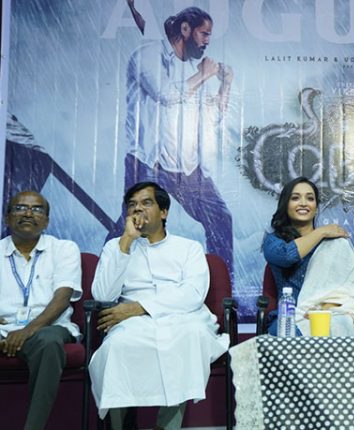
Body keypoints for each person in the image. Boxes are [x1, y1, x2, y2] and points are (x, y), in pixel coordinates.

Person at [88, 182, 229, 428]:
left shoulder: (189, 248)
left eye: (146, 203)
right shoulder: (115, 247)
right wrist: (125, 242)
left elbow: (193, 294)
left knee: (187, 340)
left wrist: (140, 307)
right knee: (115, 347)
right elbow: (102, 295)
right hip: (131, 323)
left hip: (183, 317)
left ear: (163, 212)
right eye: (132, 205)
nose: (137, 209)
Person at [107, 6, 234, 275]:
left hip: (185, 167)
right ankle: (106, 280)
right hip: (148, 163)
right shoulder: (148, 55)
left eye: (209, 36)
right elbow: (165, 95)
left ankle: (223, 288)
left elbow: (211, 118)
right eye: (204, 34)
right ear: (185, 29)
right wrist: (204, 75)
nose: (207, 41)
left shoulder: (190, 68)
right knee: (133, 223)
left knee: (220, 218)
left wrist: (226, 85)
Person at [0, 191, 81, 430]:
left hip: (49, 327)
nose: (28, 213)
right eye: (20, 208)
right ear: (7, 218)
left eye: (36, 209)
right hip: (3, 327)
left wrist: (26, 331)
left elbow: (62, 298)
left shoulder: (64, 249)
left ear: (46, 221)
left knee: (49, 342)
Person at [262, 177, 354, 336]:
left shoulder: (334, 244)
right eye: (295, 198)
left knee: (342, 323)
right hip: (288, 317)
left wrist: (324, 308)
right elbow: (286, 256)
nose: (303, 203)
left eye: (310, 198)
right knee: (290, 335)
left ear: (316, 208)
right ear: (285, 205)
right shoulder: (273, 241)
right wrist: (321, 232)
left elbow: (347, 292)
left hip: (328, 314)